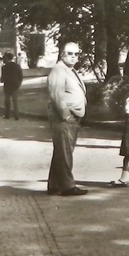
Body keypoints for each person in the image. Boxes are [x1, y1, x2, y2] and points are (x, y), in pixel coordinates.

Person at [46, 42, 88, 195]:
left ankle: (54, 184)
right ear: (62, 54)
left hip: (72, 117)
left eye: (76, 54)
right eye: (70, 53)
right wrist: (67, 116)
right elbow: (57, 96)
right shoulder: (58, 70)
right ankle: (67, 187)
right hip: (63, 118)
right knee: (65, 152)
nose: (74, 57)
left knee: (61, 151)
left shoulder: (69, 70)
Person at [0, 51, 23, 120]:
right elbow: (20, 76)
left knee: (7, 101)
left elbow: (3, 78)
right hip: (15, 85)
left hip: (7, 86)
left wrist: (2, 80)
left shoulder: (4, 67)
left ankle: (7, 115)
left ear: (7, 58)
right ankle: (16, 116)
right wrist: (18, 84)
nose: (3, 60)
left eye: (4, 58)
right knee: (15, 101)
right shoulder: (17, 66)